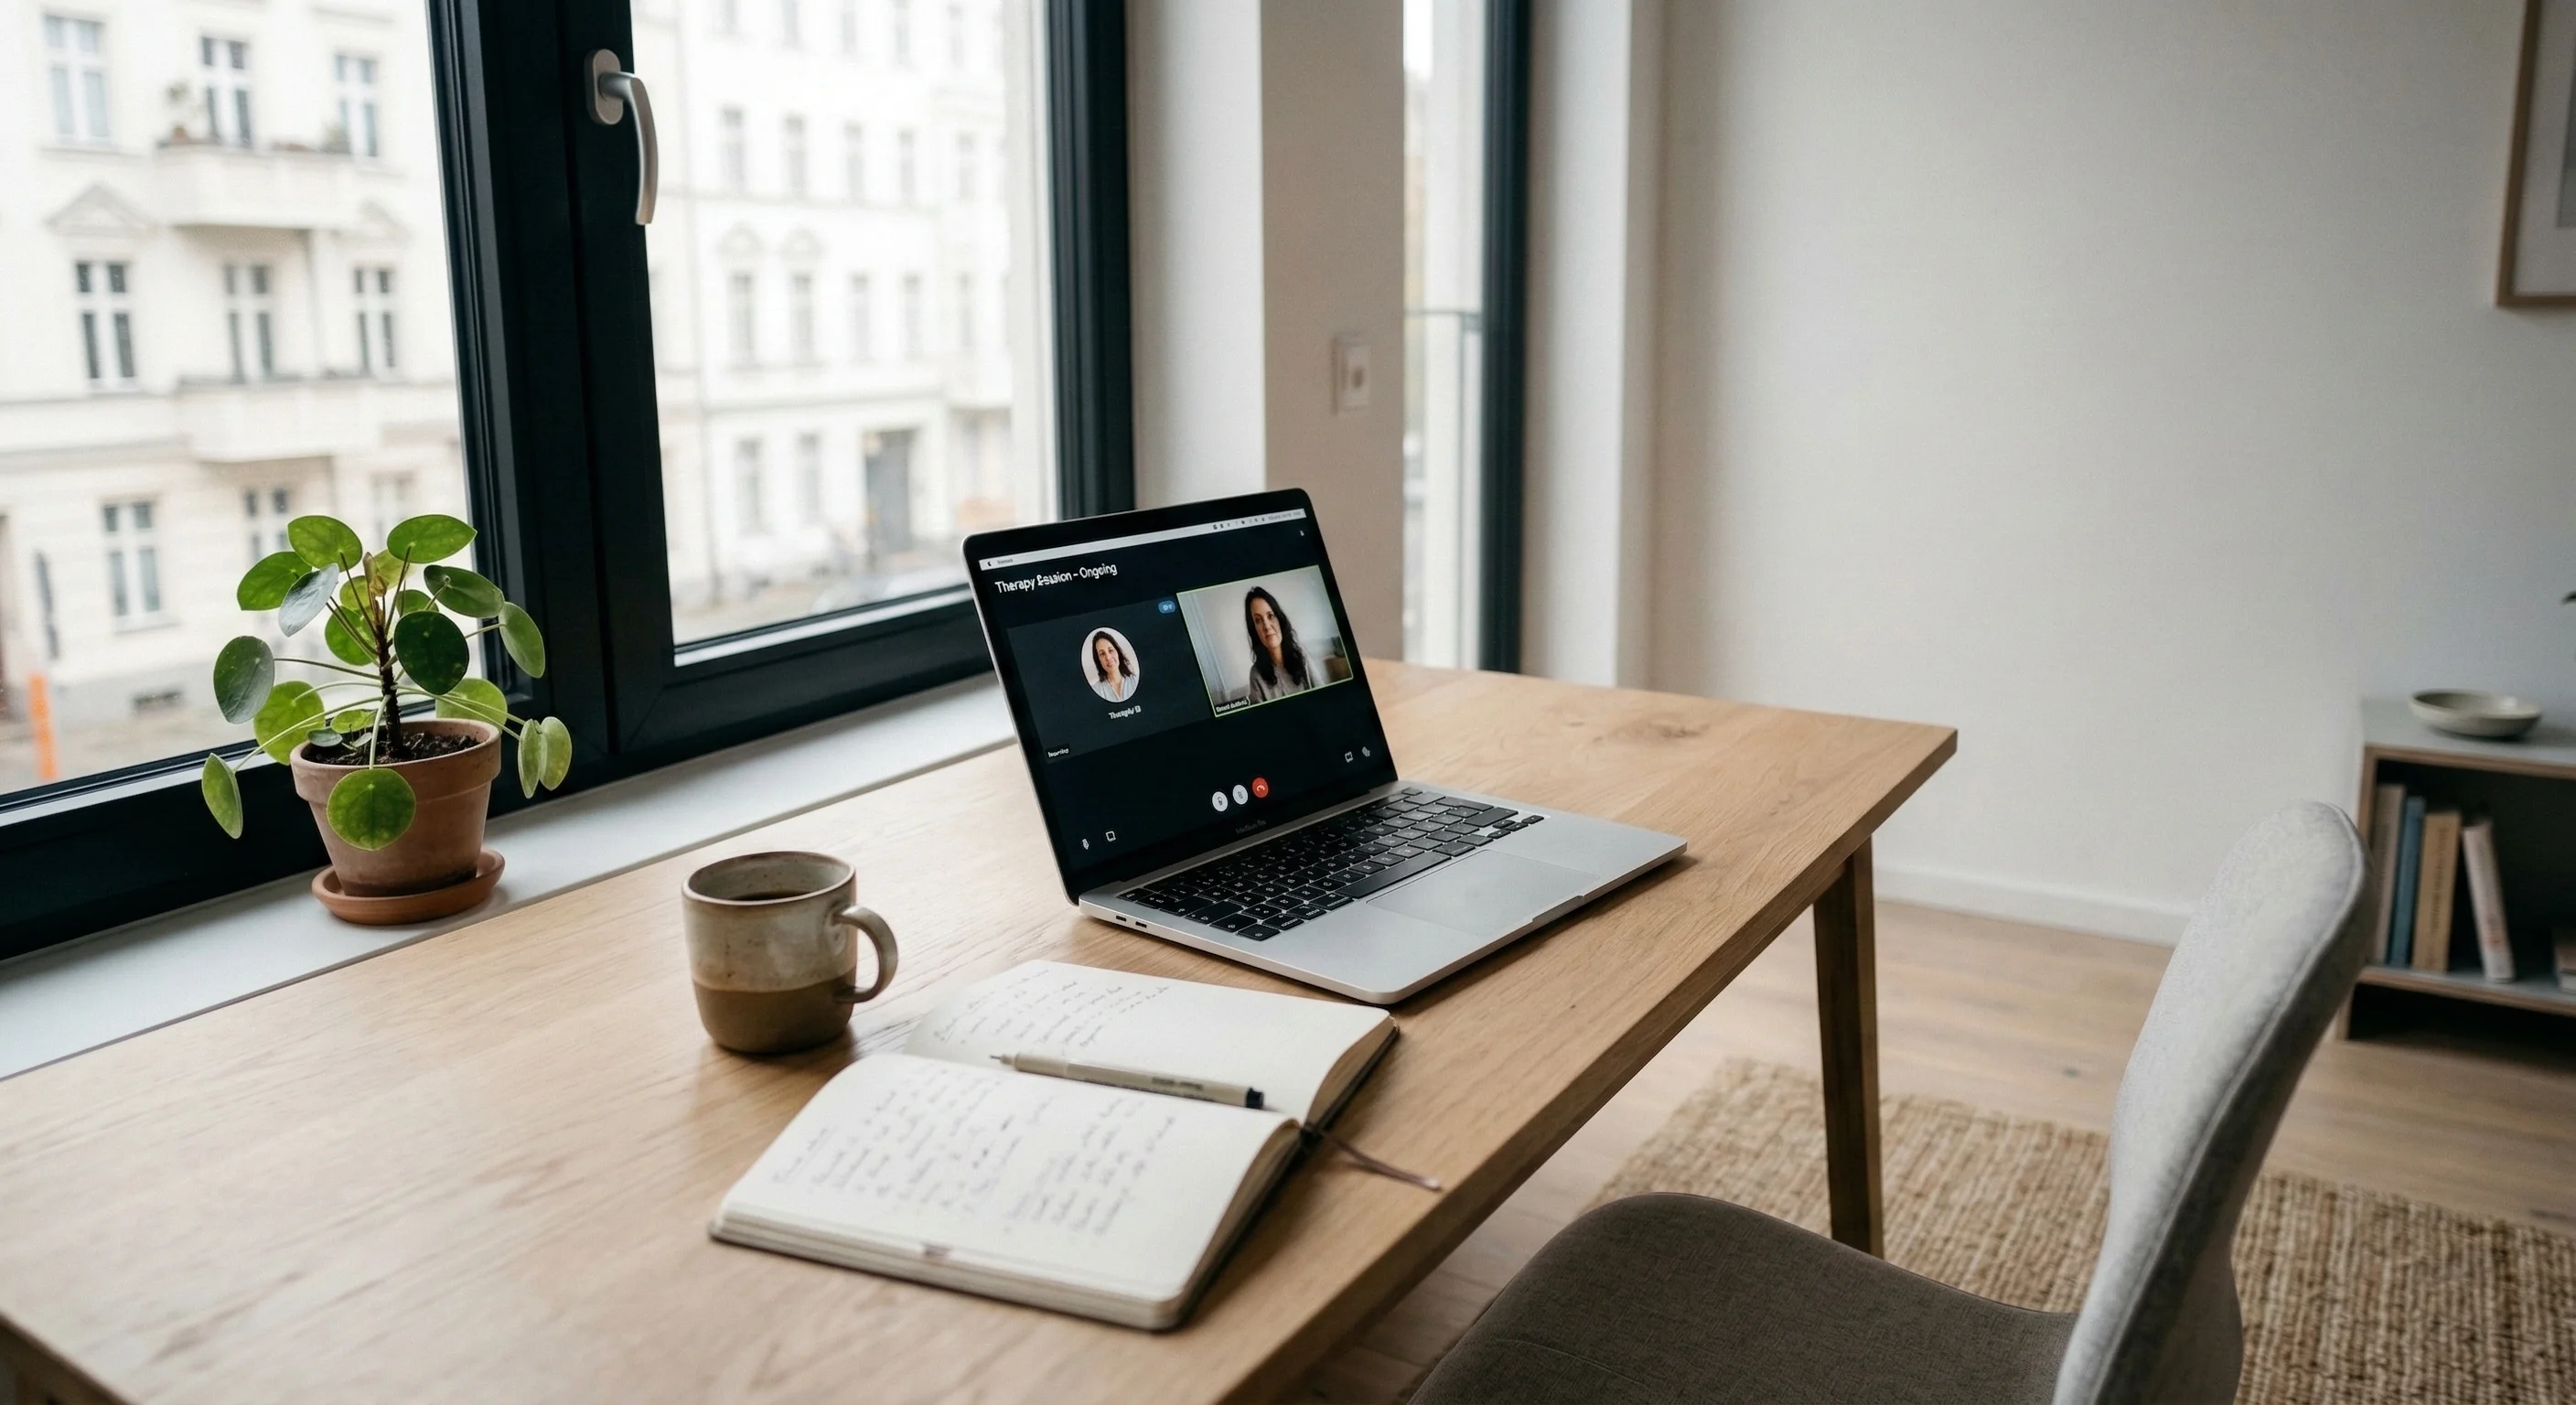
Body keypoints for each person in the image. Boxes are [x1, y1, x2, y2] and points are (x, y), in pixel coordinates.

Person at [1243, 586, 1315, 702]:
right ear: (1254, 630)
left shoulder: (1301, 655)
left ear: (1280, 620)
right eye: (1258, 620)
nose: (1266, 626)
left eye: (1270, 616)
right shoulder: (1256, 675)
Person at [1086, 628, 1138, 702]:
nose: (1108, 657)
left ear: (1117, 652)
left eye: (1110, 650)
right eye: (1102, 654)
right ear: (1098, 660)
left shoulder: (1135, 681)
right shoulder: (1095, 690)